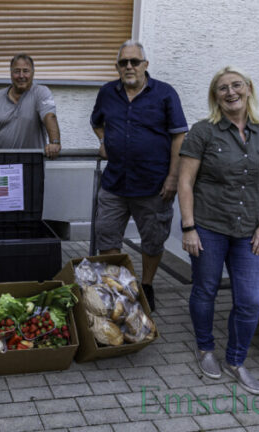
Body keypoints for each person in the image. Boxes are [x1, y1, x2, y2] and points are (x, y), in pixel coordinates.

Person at [178, 66, 259, 394]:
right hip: (209, 227)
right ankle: (206, 349)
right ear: (216, 97)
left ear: (249, 89)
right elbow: (185, 180)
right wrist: (189, 227)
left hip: (250, 232)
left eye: (236, 85)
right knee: (205, 290)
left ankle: (236, 360)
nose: (230, 92)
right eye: (222, 88)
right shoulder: (203, 132)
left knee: (251, 301)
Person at [90, 40, 188, 311]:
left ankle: (146, 284)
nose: (129, 66)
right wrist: (104, 141)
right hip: (115, 183)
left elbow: (179, 136)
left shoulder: (165, 94)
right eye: (124, 62)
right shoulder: (107, 92)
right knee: (106, 236)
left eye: (135, 61)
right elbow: (96, 121)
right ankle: (116, 286)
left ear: (145, 65)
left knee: (154, 239)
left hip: (154, 185)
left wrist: (172, 177)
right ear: (117, 67)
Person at [0, 53, 61, 158]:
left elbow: (50, 116)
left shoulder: (41, 93)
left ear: (33, 73)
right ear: (11, 73)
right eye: (17, 71)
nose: (21, 76)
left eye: (25, 71)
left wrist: (55, 142)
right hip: (3, 166)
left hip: (32, 164)